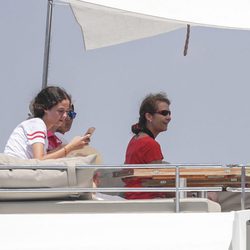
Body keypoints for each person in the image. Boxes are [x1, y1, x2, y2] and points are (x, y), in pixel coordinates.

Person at [4, 86, 90, 160]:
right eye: (60, 111)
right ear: (45, 108)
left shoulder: (40, 126)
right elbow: (39, 160)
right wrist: (70, 147)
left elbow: (41, 159)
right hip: (15, 172)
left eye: (67, 112)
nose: (65, 116)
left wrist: (66, 147)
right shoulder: (37, 124)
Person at [124, 92, 172, 199]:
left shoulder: (135, 140)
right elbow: (161, 181)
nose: (169, 117)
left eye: (169, 113)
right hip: (146, 199)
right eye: (164, 113)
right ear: (149, 116)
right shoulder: (150, 144)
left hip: (133, 197)